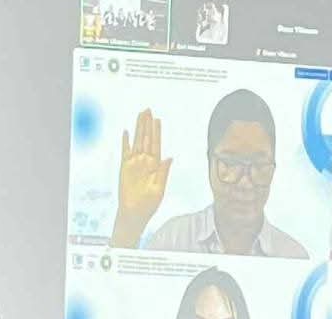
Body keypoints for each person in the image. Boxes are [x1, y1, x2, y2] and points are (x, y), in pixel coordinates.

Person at [109, 90, 309, 258]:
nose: (245, 182)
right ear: (209, 162)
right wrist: (128, 223)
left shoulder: (293, 257)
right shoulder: (172, 241)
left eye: (259, 165)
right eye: (230, 163)